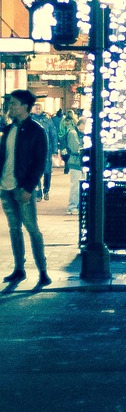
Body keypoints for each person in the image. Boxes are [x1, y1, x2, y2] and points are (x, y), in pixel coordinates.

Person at [1, 90, 52, 287]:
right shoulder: (8, 129)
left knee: (32, 228)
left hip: (22, 188)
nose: (10, 107)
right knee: (14, 228)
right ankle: (18, 269)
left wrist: (29, 188)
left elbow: (40, 163)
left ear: (24, 107)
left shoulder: (36, 131)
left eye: (14, 103)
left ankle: (42, 270)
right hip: (6, 187)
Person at [30, 102, 57, 201]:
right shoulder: (30, 121)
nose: (37, 109)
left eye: (39, 107)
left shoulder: (48, 120)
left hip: (46, 151)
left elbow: (53, 135)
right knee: (36, 172)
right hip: (33, 151)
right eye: (35, 107)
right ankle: (38, 193)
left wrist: (54, 150)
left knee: (47, 172)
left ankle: (46, 190)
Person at [62, 113, 84, 214]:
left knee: (79, 185)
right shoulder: (73, 133)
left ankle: (77, 205)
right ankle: (72, 206)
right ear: (80, 124)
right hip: (75, 163)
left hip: (80, 163)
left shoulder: (80, 133)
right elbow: (75, 148)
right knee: (75, 185)